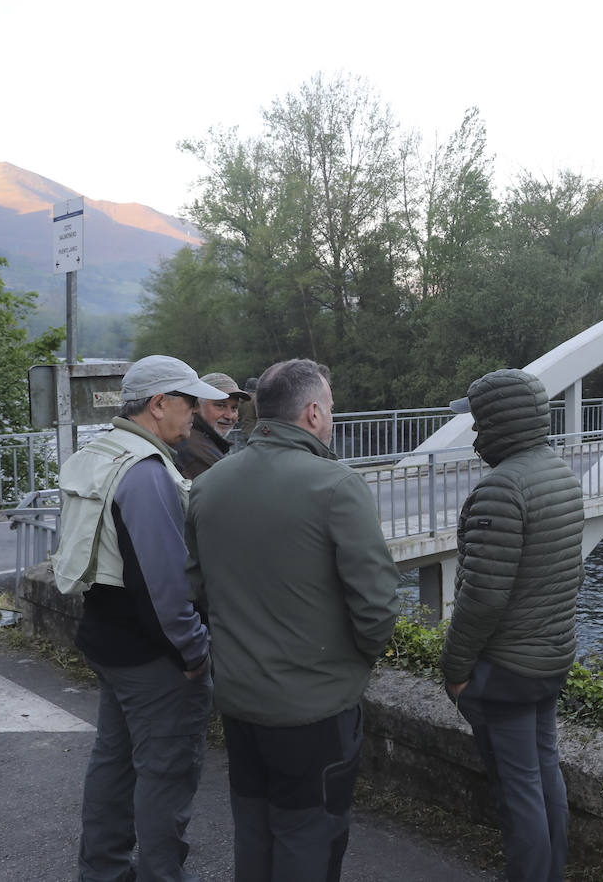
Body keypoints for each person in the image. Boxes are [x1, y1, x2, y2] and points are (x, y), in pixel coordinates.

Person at [184, 358, 400, 881]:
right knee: (310, 835)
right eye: (329, 409)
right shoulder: (336, 486)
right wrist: (355, 662)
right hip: (314, 708)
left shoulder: (210, 484)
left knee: (254, 829)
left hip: (240, 700)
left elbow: (195, 590)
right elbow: (375, 606)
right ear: (311, 413)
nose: (330, 418)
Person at [51, 354, 226, 882]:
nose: (194, 414)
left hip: (107, 636)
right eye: (188, 402)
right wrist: (195, 651)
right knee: (165, 773)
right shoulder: (147, 472)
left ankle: (102, 870)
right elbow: (165, 584)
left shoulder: (103, 450)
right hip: (154, 655)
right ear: (158, 404)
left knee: (114, 762)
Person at [440, 368, 585, 882]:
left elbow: (482, 595)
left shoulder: (502, 489)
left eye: (479, 421)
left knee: (517, 790)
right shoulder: (559, 473)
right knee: (544, 774)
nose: (475, 433)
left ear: (499, 423)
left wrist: (455, 667)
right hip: (548, 659)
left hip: (505, 670)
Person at [173, 372, 250, 478]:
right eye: (220, 406)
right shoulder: (196, 452)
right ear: (197, 405)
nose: (229, 416)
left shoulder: (201, 441)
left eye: (234, 408)